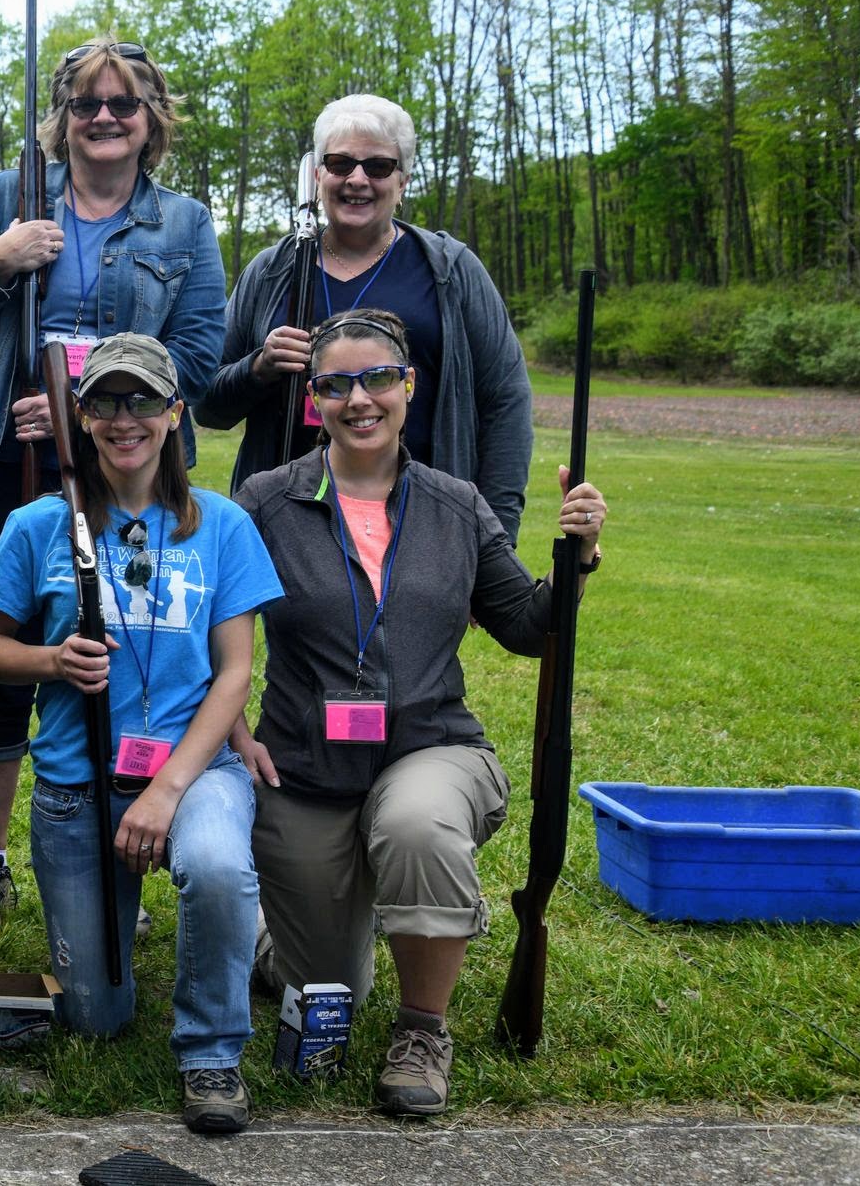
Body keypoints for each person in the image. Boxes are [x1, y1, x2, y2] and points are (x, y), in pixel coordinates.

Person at [230, 308, 608, 1118]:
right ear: (314, 399)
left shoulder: (456, 504)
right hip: (304, 767)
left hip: (430, 747)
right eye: (336, 384)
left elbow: (528, 626)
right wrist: (233, 732)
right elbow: (211, 629)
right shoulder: (265, 500)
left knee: (417, 824)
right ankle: (280, 933)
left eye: (378, 378)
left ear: (408, 385)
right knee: (331, 987)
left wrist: (574, 561)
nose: (359, 399)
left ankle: (423, 1032)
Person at [0, 38, 226, 922]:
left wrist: (76, 398)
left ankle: (112, 838)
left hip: (125, 468)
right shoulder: (5, 200)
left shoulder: (185, 223)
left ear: (150, 118)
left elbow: (199, 353)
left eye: (123, 103)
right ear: (61, 116)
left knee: (119, 650)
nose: (104, 117)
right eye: (86, 102)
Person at [0, 333, 280, 1135]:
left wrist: (168, 790)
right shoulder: (38, 524)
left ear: (175, 412)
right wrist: (51, 658)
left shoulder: (224, 525)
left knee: (216, 866)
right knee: (96, 1016)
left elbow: (235, 674)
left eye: (142, 399)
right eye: (104, 400)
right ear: (81, 415)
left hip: (193, 770)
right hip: (77, 785)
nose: (123, 417)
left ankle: (211, 1047)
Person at [198, 94, 533, 543]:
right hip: (290, 531)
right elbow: (208, 405)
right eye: (340, 164)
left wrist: (494, 535)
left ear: (403, 181)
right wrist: (259, 368)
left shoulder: (450, 271)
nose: (357, 179)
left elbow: (505, 400)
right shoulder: (272, 271)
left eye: (378, 167)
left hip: (423, 528)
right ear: (318, 175)